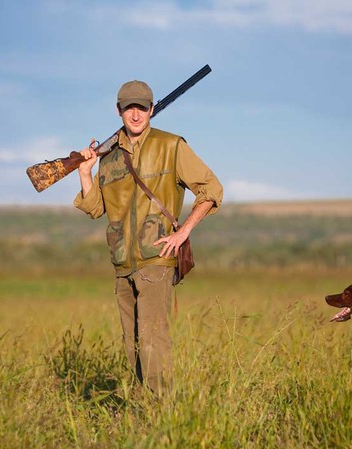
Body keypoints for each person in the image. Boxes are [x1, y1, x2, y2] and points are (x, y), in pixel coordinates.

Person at [73, 79, 223, 394]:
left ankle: (163, 416)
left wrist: (183, 233)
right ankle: (146, 413)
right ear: (119, 111)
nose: (136, 115)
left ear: (152, 109)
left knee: (153, 340)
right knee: (133, 344)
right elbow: (95, 207)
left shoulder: (171, 146)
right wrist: (85, 172)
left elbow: (211, 190)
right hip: (122, 262)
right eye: (130, 108)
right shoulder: (110, 157)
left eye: (142, 107)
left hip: (156, 259)